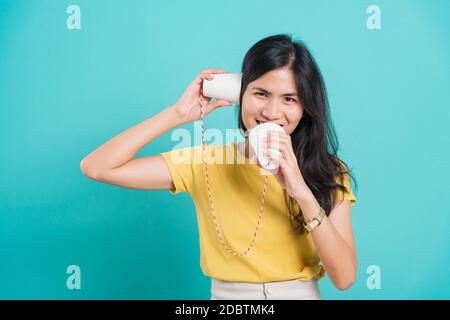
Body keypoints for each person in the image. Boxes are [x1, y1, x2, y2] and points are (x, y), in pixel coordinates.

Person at [80, 34, 358, 300]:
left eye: (289, 99)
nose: (272, 112)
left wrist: (302, 193)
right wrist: (175, 115)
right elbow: (97, 167)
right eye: (261, 93)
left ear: (305, 107)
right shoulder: (205, 163)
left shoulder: (329, 171)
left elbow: (344, 279)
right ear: (240, 94)